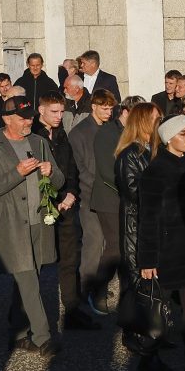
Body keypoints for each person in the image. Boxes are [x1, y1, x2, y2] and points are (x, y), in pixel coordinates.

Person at [0, 94, 66, 355]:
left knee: (30, 278)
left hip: (40, 221)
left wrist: (52, 173)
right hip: (13, 224)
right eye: (22, 117)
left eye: (30, 117)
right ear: (6, 119)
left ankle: (17, 330)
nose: (28, 121)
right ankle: (43, 337)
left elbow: (59, 182)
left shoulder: (39, 142)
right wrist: (17, 172)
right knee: (28, 280)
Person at [137, 115, 185, 371]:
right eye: (184, 134)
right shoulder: (156, 170)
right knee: (158, 308)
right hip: (167, 249)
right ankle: (148, 353)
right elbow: (148, 217)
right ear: (169, 139)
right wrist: (148, 258)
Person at [34, 93, 94, 330]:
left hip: (66, 205)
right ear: (42, 111)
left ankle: (71, 309)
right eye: (54, 112)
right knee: (35, 263)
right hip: (42, 206)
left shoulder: (61, 135)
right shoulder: (34, 136)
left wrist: (70, 193)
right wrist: (51, 198)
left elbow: (70, 167)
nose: (59, 117)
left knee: (70, 258)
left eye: (61, 112)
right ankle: (26, 316)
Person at [115, 103, 164, 371]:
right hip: (136, 227)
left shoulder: (156, 150)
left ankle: (153, 333)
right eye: (156, 118)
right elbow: (134, 193)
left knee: (153, 286)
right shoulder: (130, 155)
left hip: (154, 225)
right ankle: (143, 344)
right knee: (140, 284)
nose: (160, 122)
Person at [69, 90, 120, 315]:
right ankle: (86, 288)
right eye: (104, 108)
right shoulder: (79, 133)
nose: (109, 112)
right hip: (90, 195)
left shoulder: (112, 129)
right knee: (93, 242)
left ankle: (97, 286)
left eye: (111, 108)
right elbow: (81, 168)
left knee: (110, 244)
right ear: (94, 107)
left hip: (110, 194)